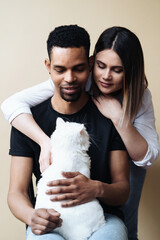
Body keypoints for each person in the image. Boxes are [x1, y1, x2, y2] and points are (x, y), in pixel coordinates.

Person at [1, 26, 159, 240]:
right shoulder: (30, 119)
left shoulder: (126, 106)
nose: (70, 78)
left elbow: (140, 167)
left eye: (78, 69)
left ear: (88, 65)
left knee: (122, 226)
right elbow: (16, 192)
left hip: (106, 209)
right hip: (53, 217)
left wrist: (119, 118)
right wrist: (32, 216)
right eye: (60, 70)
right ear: (49, 67)